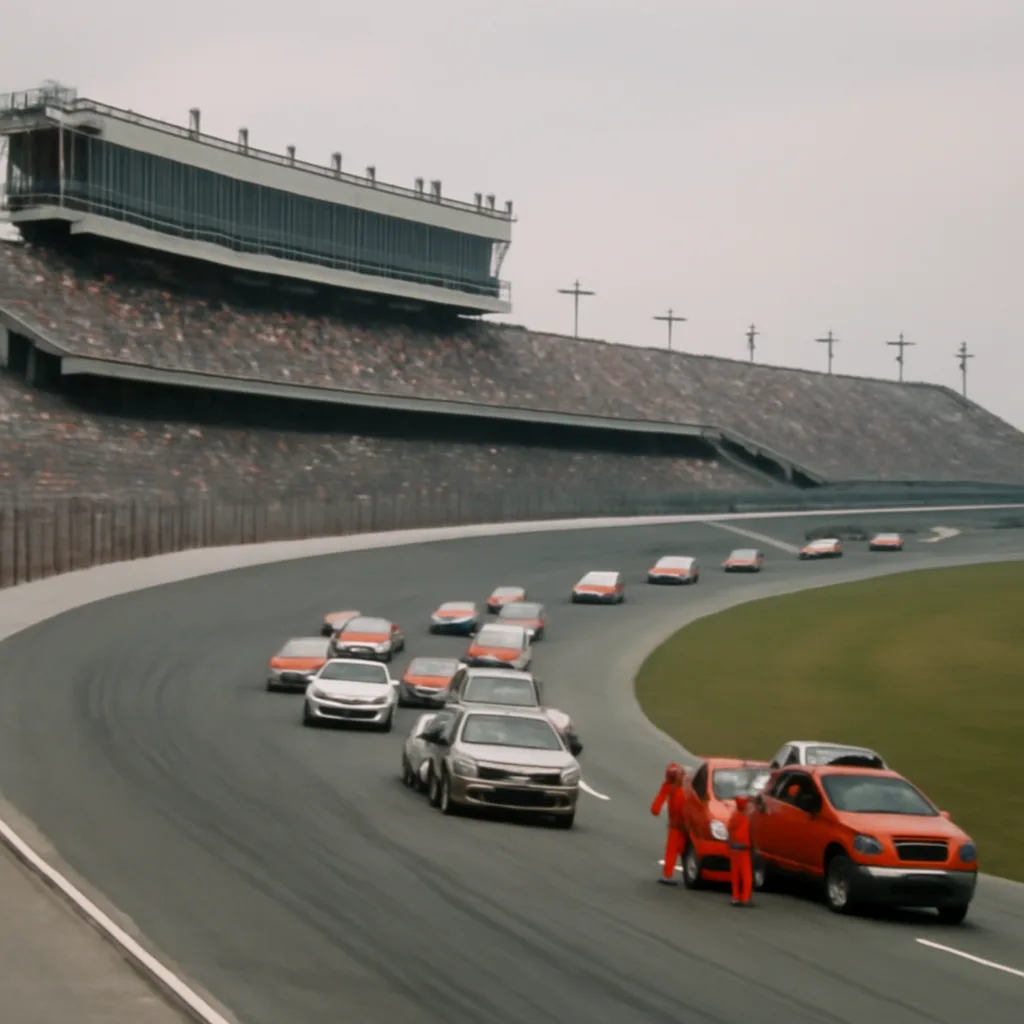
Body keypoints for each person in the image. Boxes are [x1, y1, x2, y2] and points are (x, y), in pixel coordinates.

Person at [651, 762, 688, 885]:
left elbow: (657, 804)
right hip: (679, 826)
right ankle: (669, 874)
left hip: (677, 825)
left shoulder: (671, 787)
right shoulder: (678, 791)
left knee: (675, 849)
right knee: (677, 849)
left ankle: (669, 873)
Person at [727, 794, 754, 906]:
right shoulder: (746, 819)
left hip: (734, 849)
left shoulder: (734, 817)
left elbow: (729, 829)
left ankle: (735, 897)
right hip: (744, 850)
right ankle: (745, 897)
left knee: (735, 874)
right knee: (746, 875)